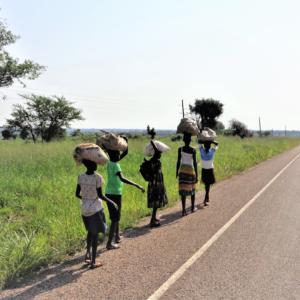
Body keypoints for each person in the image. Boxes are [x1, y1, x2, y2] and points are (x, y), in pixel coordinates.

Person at [75, 159, 118, 269]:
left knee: (90, 232)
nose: (95, 165)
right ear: (89, 165)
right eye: (93, 163)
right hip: (95, 210)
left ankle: (88, 254)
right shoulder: (97, 177)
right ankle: (93, 262)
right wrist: (112, 202)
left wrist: (86, 198)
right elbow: (100, 195)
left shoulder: (80, 176)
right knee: (94, 235)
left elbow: (77, 194)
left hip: (84, 209)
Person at [105, 143, 145, 250]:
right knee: (115, 218)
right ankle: (109, 243)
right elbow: (122, 178)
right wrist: (137, 185)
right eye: (118, 153)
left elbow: (125, 153)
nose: (120, 155)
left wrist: (124, 142)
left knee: (115, 216)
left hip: (108, 192)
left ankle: (117, 236)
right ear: (114, 155)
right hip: (115, 194)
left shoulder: (109, 163)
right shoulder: (116, 165)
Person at [176, 133, 198, 216]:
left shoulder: (180, 149)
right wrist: (197, 174)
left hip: (182, 171)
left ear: (183, 140)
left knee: (183, 191)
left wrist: (176, 171)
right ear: (190, 141)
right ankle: (192, 208)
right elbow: (195, 163)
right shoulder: (193, 150)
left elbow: (178, 161)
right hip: (190, 171)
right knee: (192, 189)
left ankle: (183, 211)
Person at [147, 141, 168, 227]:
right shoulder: (156, 161)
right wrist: (154, 145)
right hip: (156, 185)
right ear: (155, 153)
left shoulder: (152, 161)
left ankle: (154, 218)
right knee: (156, 203)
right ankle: (152, 221)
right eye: (159, 153)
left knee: (156, 203)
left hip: (153, 184)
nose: (160, 154)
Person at [199, 140, 218, 206]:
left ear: (204, 146)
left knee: (206, 185)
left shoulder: (202, 150)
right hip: (210, 169)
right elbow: (216, 144)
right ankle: (206, 197)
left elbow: (199, 142)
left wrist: (204, 141)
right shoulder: (212, 151)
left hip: (204, 170)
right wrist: (212, 141)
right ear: (210, 146)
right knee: (208, 185)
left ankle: (206, 197)